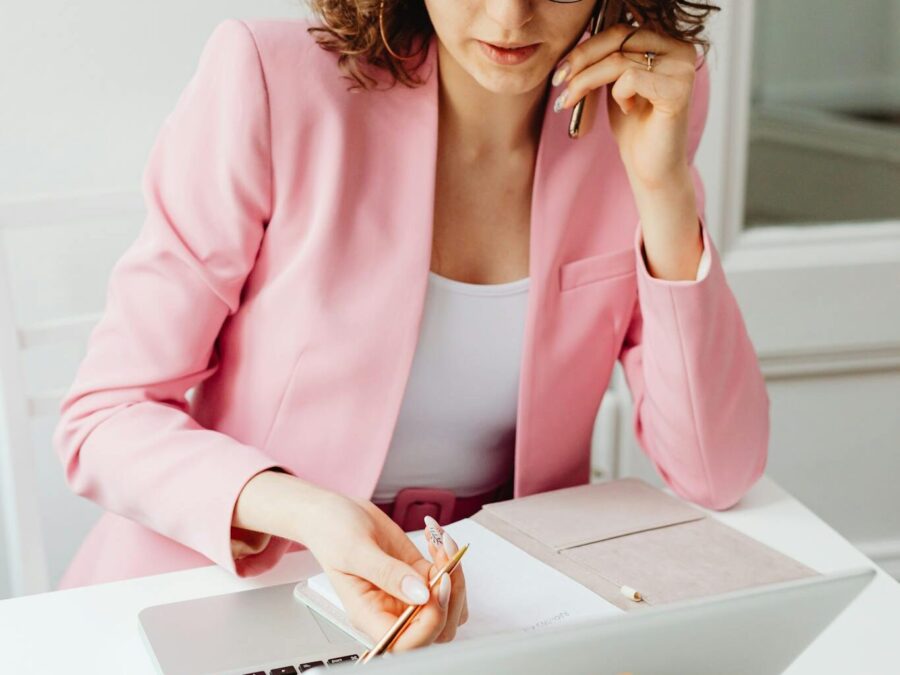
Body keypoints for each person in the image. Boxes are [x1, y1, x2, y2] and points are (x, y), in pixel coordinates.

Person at [53, 0, 769, 653]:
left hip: (478, 614)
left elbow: (715, 469)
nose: (511, 15)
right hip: (216, 603)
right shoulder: (272, 81)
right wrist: (309, 511)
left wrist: (662, 189)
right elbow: (105, 417)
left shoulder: (641, 107)